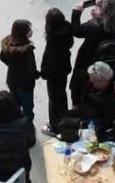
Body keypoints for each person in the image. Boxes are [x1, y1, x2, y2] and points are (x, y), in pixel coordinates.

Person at [69, 0, 115, 105]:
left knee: (79, 85)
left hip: (87, 59)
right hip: (105, 62)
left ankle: (77, 104)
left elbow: (77, 31)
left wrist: (77, 12)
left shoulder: (95, 25)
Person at [40, 8, 72, 136]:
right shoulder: (67, 30)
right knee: (61, 95)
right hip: (64, 69)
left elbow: (50, 62)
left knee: (53, 99)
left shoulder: (53, 40)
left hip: (54, 74)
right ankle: (63, 119)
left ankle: (55, 126)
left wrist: (43, 72)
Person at [0, 19, 39, 122]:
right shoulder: (27, 50)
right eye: (29, 29)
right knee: (27, 108)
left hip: (12, 80)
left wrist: (12, 66)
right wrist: (38, 75)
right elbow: (31, 70)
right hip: (25, 84)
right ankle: (28, 128)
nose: (31, 31)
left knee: (15, 104)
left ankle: (15, 125)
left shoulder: (7, 43)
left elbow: (2, 57)